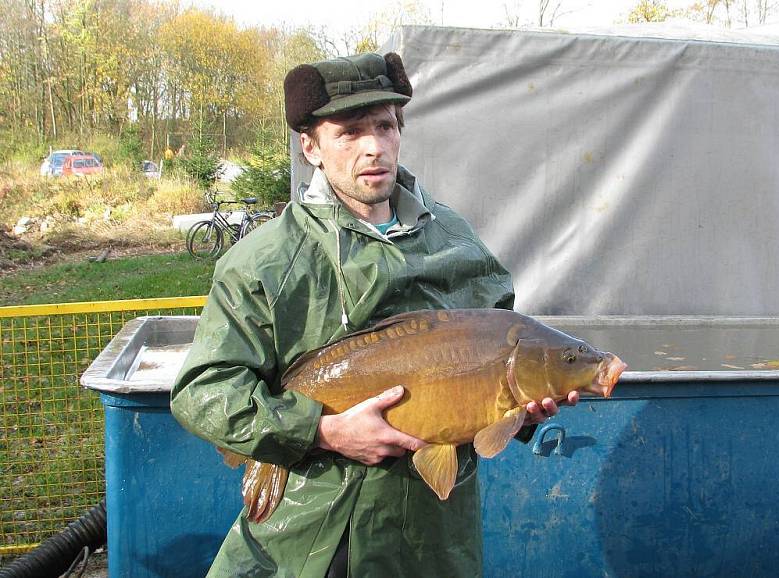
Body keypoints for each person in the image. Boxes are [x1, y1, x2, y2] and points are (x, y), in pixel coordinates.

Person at [171, 52, 579, 577]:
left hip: (435, 537)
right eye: (350, 132)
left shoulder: (457, 243)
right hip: (318, 532)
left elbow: (500, 362)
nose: (374, 147)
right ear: (311, 147)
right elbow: (203, 389)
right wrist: (323, 431)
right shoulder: (266, 262)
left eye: (385, 126)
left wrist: (523, 411)